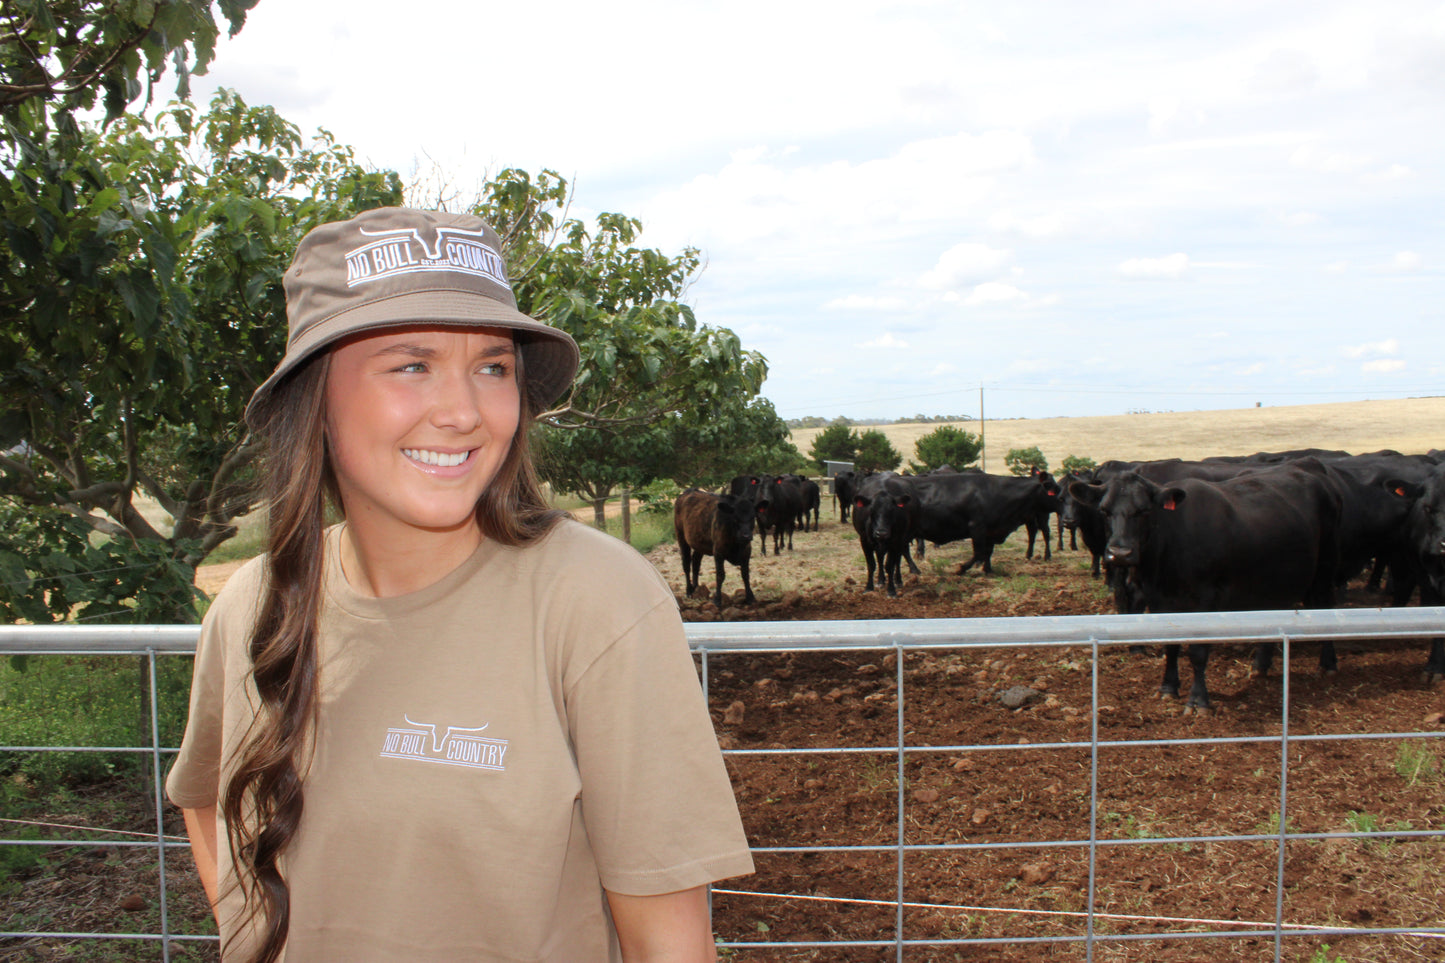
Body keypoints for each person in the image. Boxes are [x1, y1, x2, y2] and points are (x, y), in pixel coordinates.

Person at [165, 207, 754, 963]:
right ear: (314, 397)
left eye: (492, 367)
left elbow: (669, 945)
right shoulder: (250, 607)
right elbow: (204, 799)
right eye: (412, 364)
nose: (466, 412)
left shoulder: (593, 600)